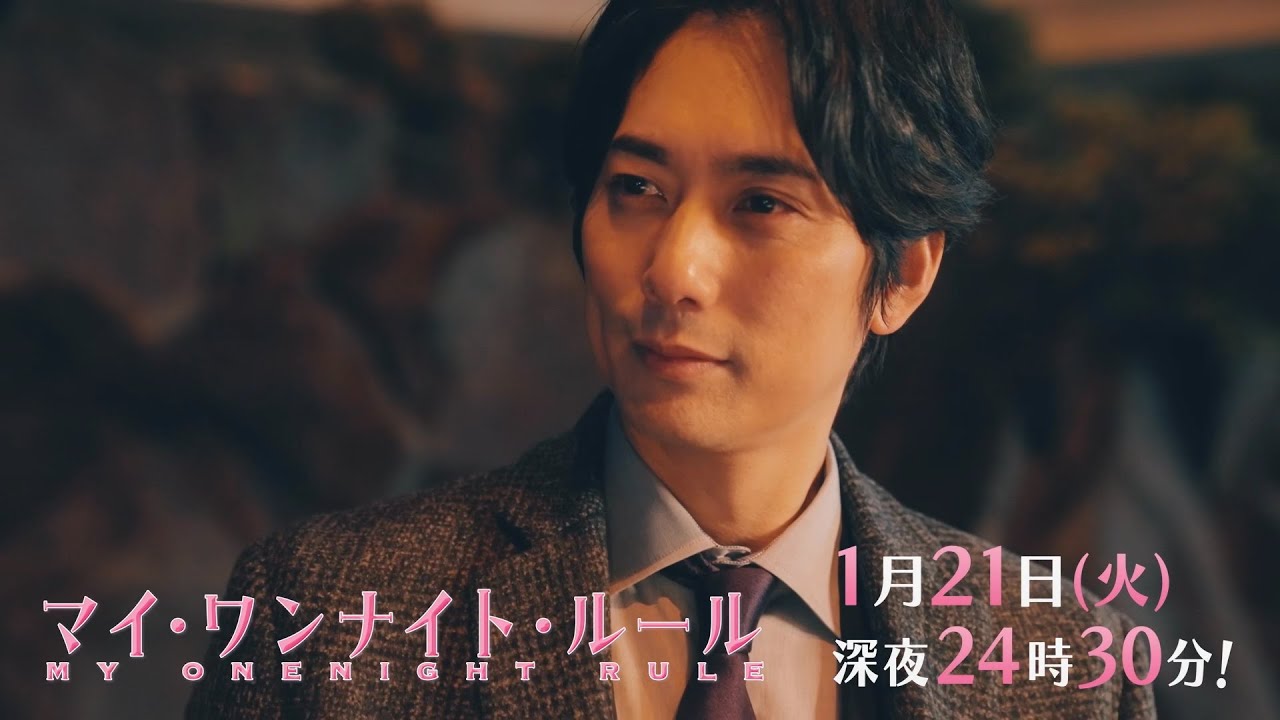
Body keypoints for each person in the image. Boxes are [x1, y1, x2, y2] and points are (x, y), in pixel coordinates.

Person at [187, 1, 1156, 718]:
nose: (672, 269)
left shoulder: (1062, 665)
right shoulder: (327, 616)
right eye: (637, 188)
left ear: (901, 272)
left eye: (760, 204)